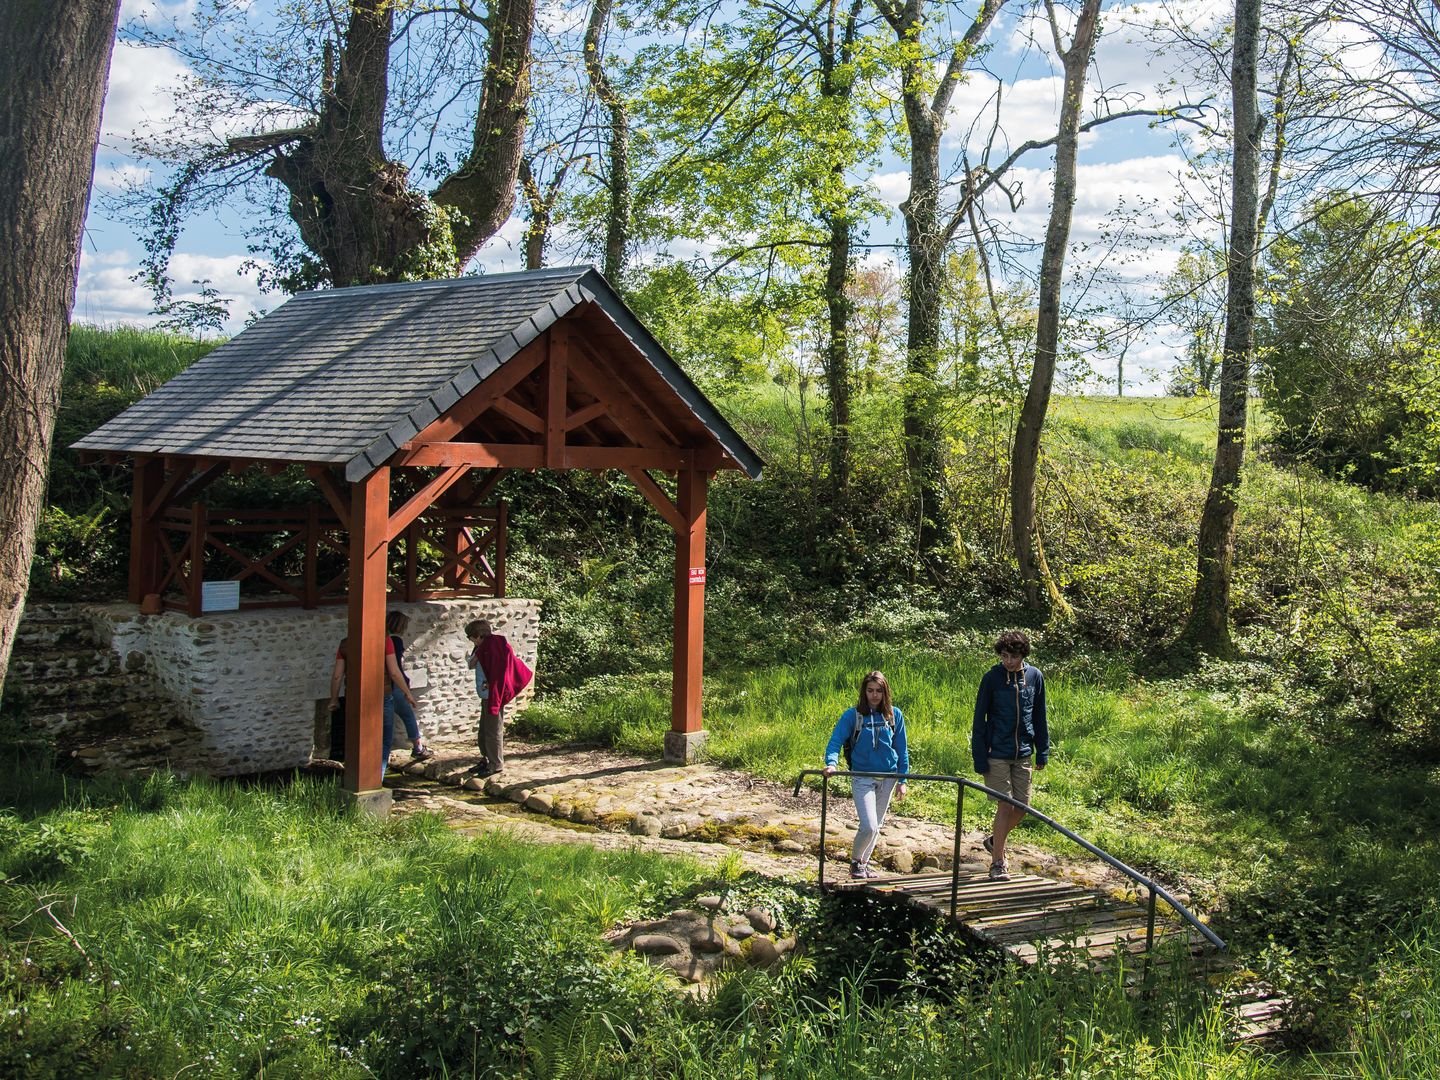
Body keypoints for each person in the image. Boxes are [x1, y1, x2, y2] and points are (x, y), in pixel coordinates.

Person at [972, 630, 1049, 881]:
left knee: (1022, 806)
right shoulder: (992, 678)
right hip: (997, 752)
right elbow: (979, 718)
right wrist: (980, 756)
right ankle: (998, 863)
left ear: (1022, 655)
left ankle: (996, 840)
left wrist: (1042, 751)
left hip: (1024, 751)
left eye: (1013, 657)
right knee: (1005, 805)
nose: (1008, 661)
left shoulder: (1035, 676)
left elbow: (1039, 715)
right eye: (1004, 656)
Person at [823, 670, 909, 880]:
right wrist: (831, 764)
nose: (874, 695)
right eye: (870, 690)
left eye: (879, 691)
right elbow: (835, 741)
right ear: (864, 692)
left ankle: (863, 863)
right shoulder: (852, 715)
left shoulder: (894, 715)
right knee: (869, 825)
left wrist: (903, 779)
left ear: (885, 692)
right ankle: (855, 863)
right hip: (862, 776)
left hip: (888, 778)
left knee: (876, 826)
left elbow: (902, 748)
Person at [326, 632, 421, 779]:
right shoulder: (385, 640)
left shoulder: (345, 643)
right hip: (382, 695)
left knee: (357, 738)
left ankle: (354, 779)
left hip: (354, 695)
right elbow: (394, 672)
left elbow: (338, 675)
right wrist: (407, 693)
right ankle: (376, 780)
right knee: (383, 740)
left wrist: (334, 699)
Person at [465, 618, 533, 778]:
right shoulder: (484, 648)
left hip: (494, 694)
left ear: (477, 636)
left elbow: (499, 671)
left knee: (492, 731)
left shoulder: (494, 647)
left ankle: (495, 764)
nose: (470, 641)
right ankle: (486, 759)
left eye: (470, 638)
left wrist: (492, 686)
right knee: (483, 730)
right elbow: (475, 664)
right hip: (487, 694)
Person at [386, 611, 435, 762]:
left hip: (387, 685)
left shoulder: (384, 639)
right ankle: (418, 747)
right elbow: (395, 669)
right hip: (394, 686)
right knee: (408, 715)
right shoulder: (395, 641)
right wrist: (405, 686)